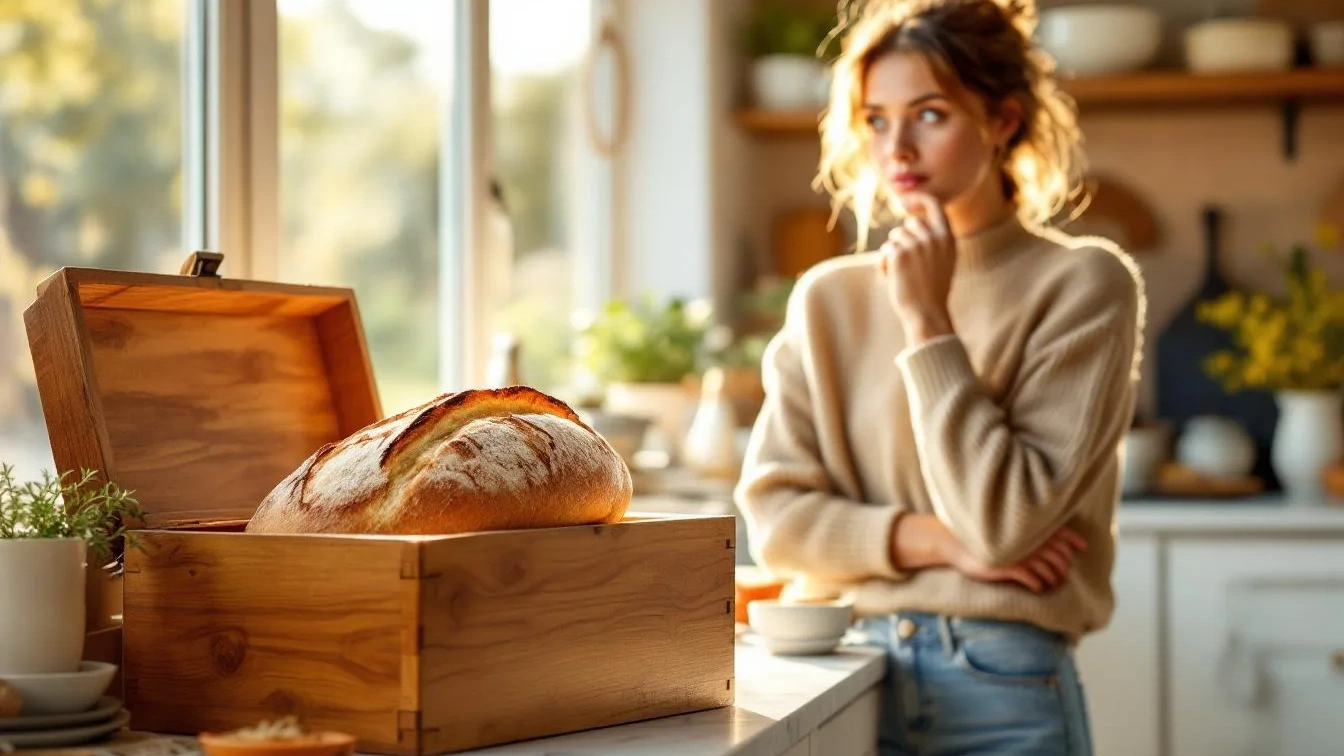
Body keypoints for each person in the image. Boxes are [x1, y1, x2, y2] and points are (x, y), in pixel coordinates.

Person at [733, 0, 1146, 754]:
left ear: (1002, 120)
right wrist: (940, 544)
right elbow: (776, 525)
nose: (898, 148)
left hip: (1002, 683)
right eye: (877, 120)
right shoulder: (828, 298)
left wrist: (926, 320)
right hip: (838, 675)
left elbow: (1005, 524)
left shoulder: (1084, 285)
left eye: (928, 114)